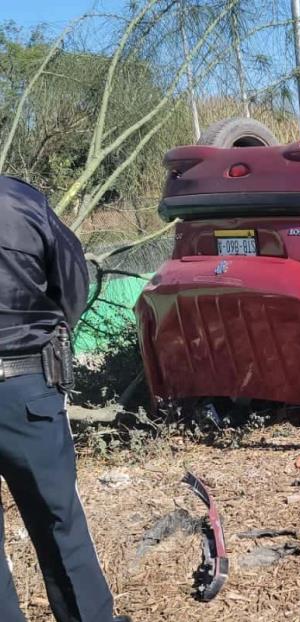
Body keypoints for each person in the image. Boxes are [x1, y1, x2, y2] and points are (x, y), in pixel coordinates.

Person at [0, 176, 131, 622]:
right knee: (60, 523)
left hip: (26, 383)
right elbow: (72, 282)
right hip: (26, 389)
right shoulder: (20, 201)